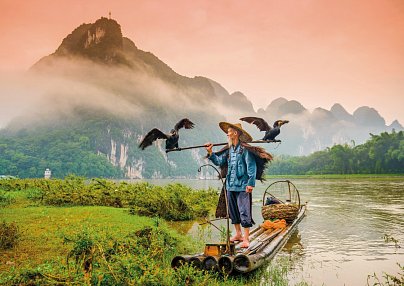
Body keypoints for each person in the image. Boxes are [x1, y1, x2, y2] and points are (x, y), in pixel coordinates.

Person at [205, 122, 257, 248]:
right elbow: (219, 161)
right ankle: (238, 234)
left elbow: (251, 167)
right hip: (230, 186)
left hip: (243, 186)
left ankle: (246, 238)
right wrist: (211, 152)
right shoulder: (229, 150)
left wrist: (250, 183)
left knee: (244, 211)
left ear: (235, 133)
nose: (227, 133)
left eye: (229, 131)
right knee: (233, 212)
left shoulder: (245, 150)